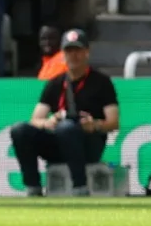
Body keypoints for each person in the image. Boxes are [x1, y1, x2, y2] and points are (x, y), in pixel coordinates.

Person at [9, 29, 117, 196]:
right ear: (63, 54)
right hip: (59, 139)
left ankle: (80, 186)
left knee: (66, 128)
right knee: (20, 130)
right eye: (69, 51)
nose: (73, 55)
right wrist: (49, 122)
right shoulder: (55, 83)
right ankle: (32, 186)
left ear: (87, 52)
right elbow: (36, 119)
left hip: (88, 141)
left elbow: (113, 122)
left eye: (78, 50)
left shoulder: (101, 82)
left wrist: (94, 125)